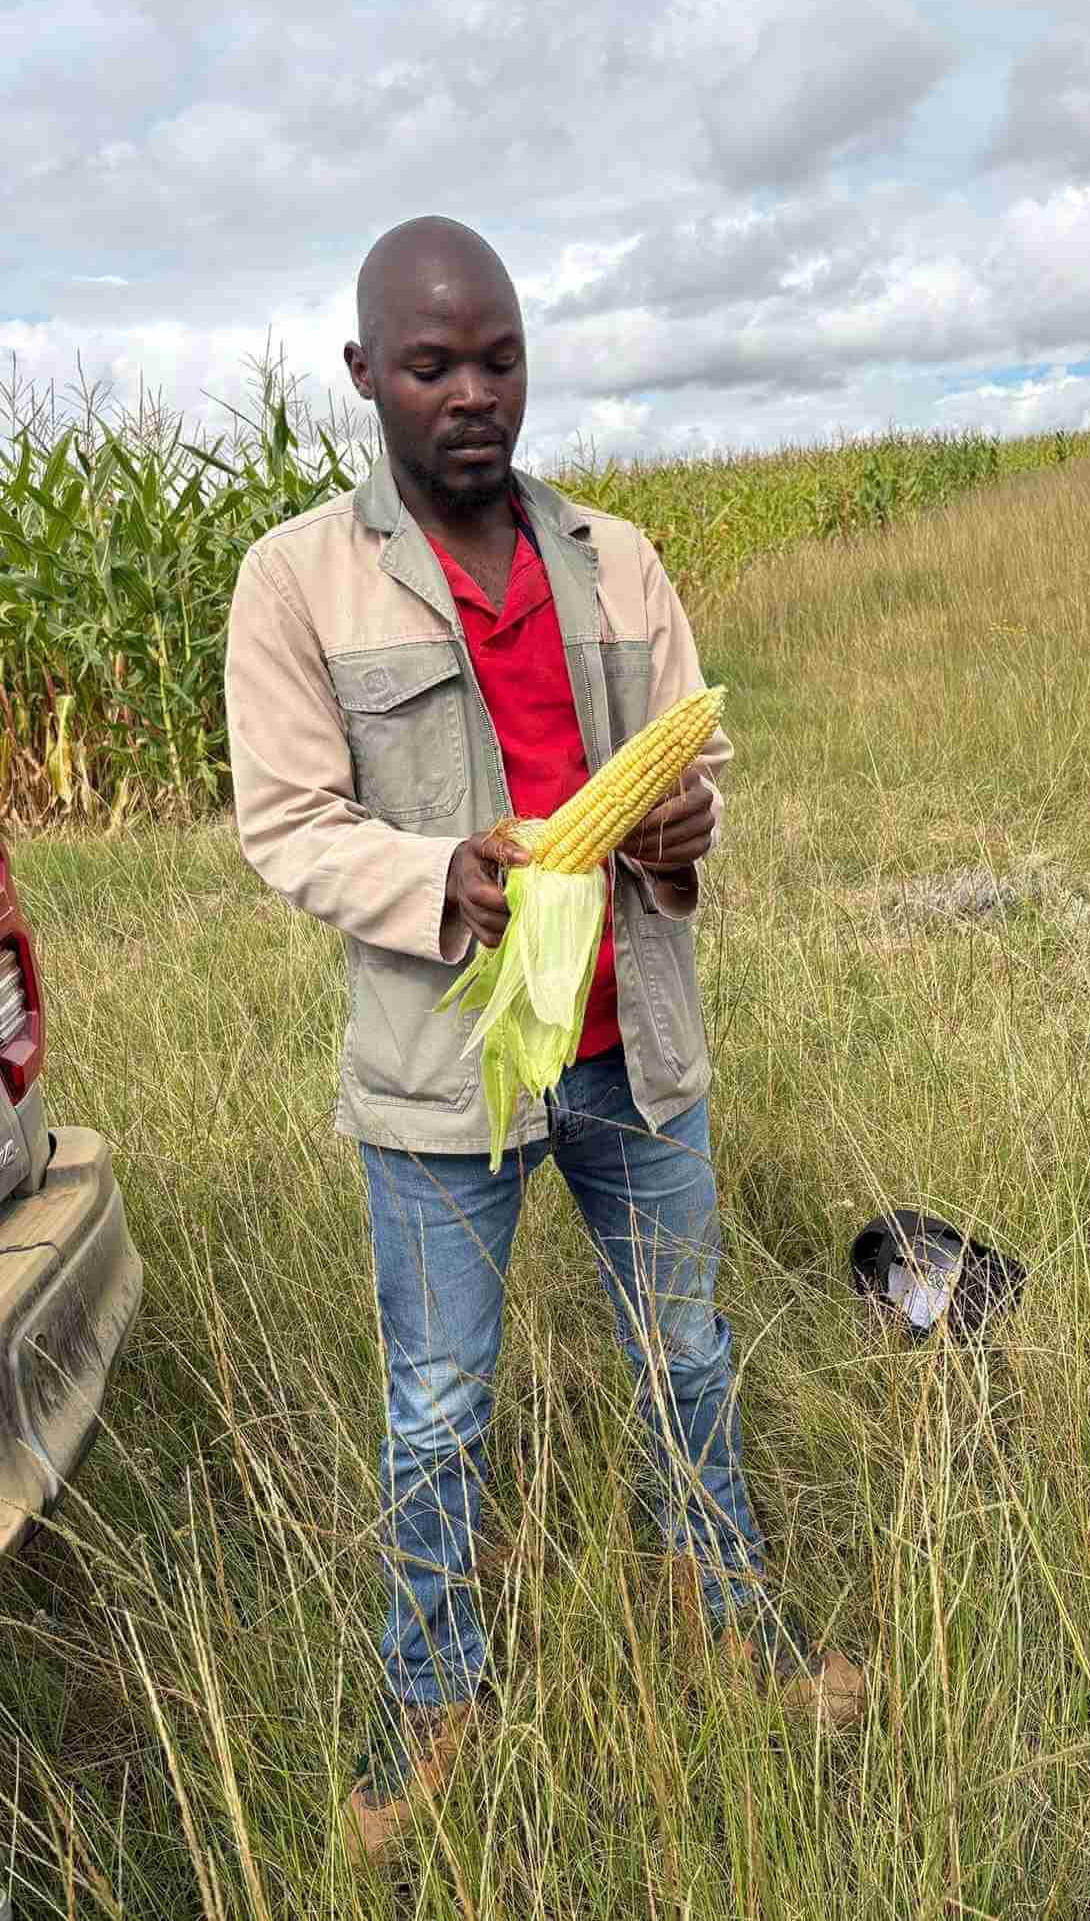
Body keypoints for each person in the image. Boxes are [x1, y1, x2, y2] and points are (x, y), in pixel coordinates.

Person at [224, 216, 864, 1869]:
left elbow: (694, 764)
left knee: (688, 1355)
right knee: (439, 1405)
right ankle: (431, 1694)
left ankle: (725, 1609)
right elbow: (286, 821)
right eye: (431, 365)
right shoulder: (298, 579)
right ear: (364, 374)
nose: (473, 395)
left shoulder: (614, 556)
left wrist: (686, 833)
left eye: (498, 360)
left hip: (629, 1048)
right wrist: (441, 872)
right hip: (445, 1072)